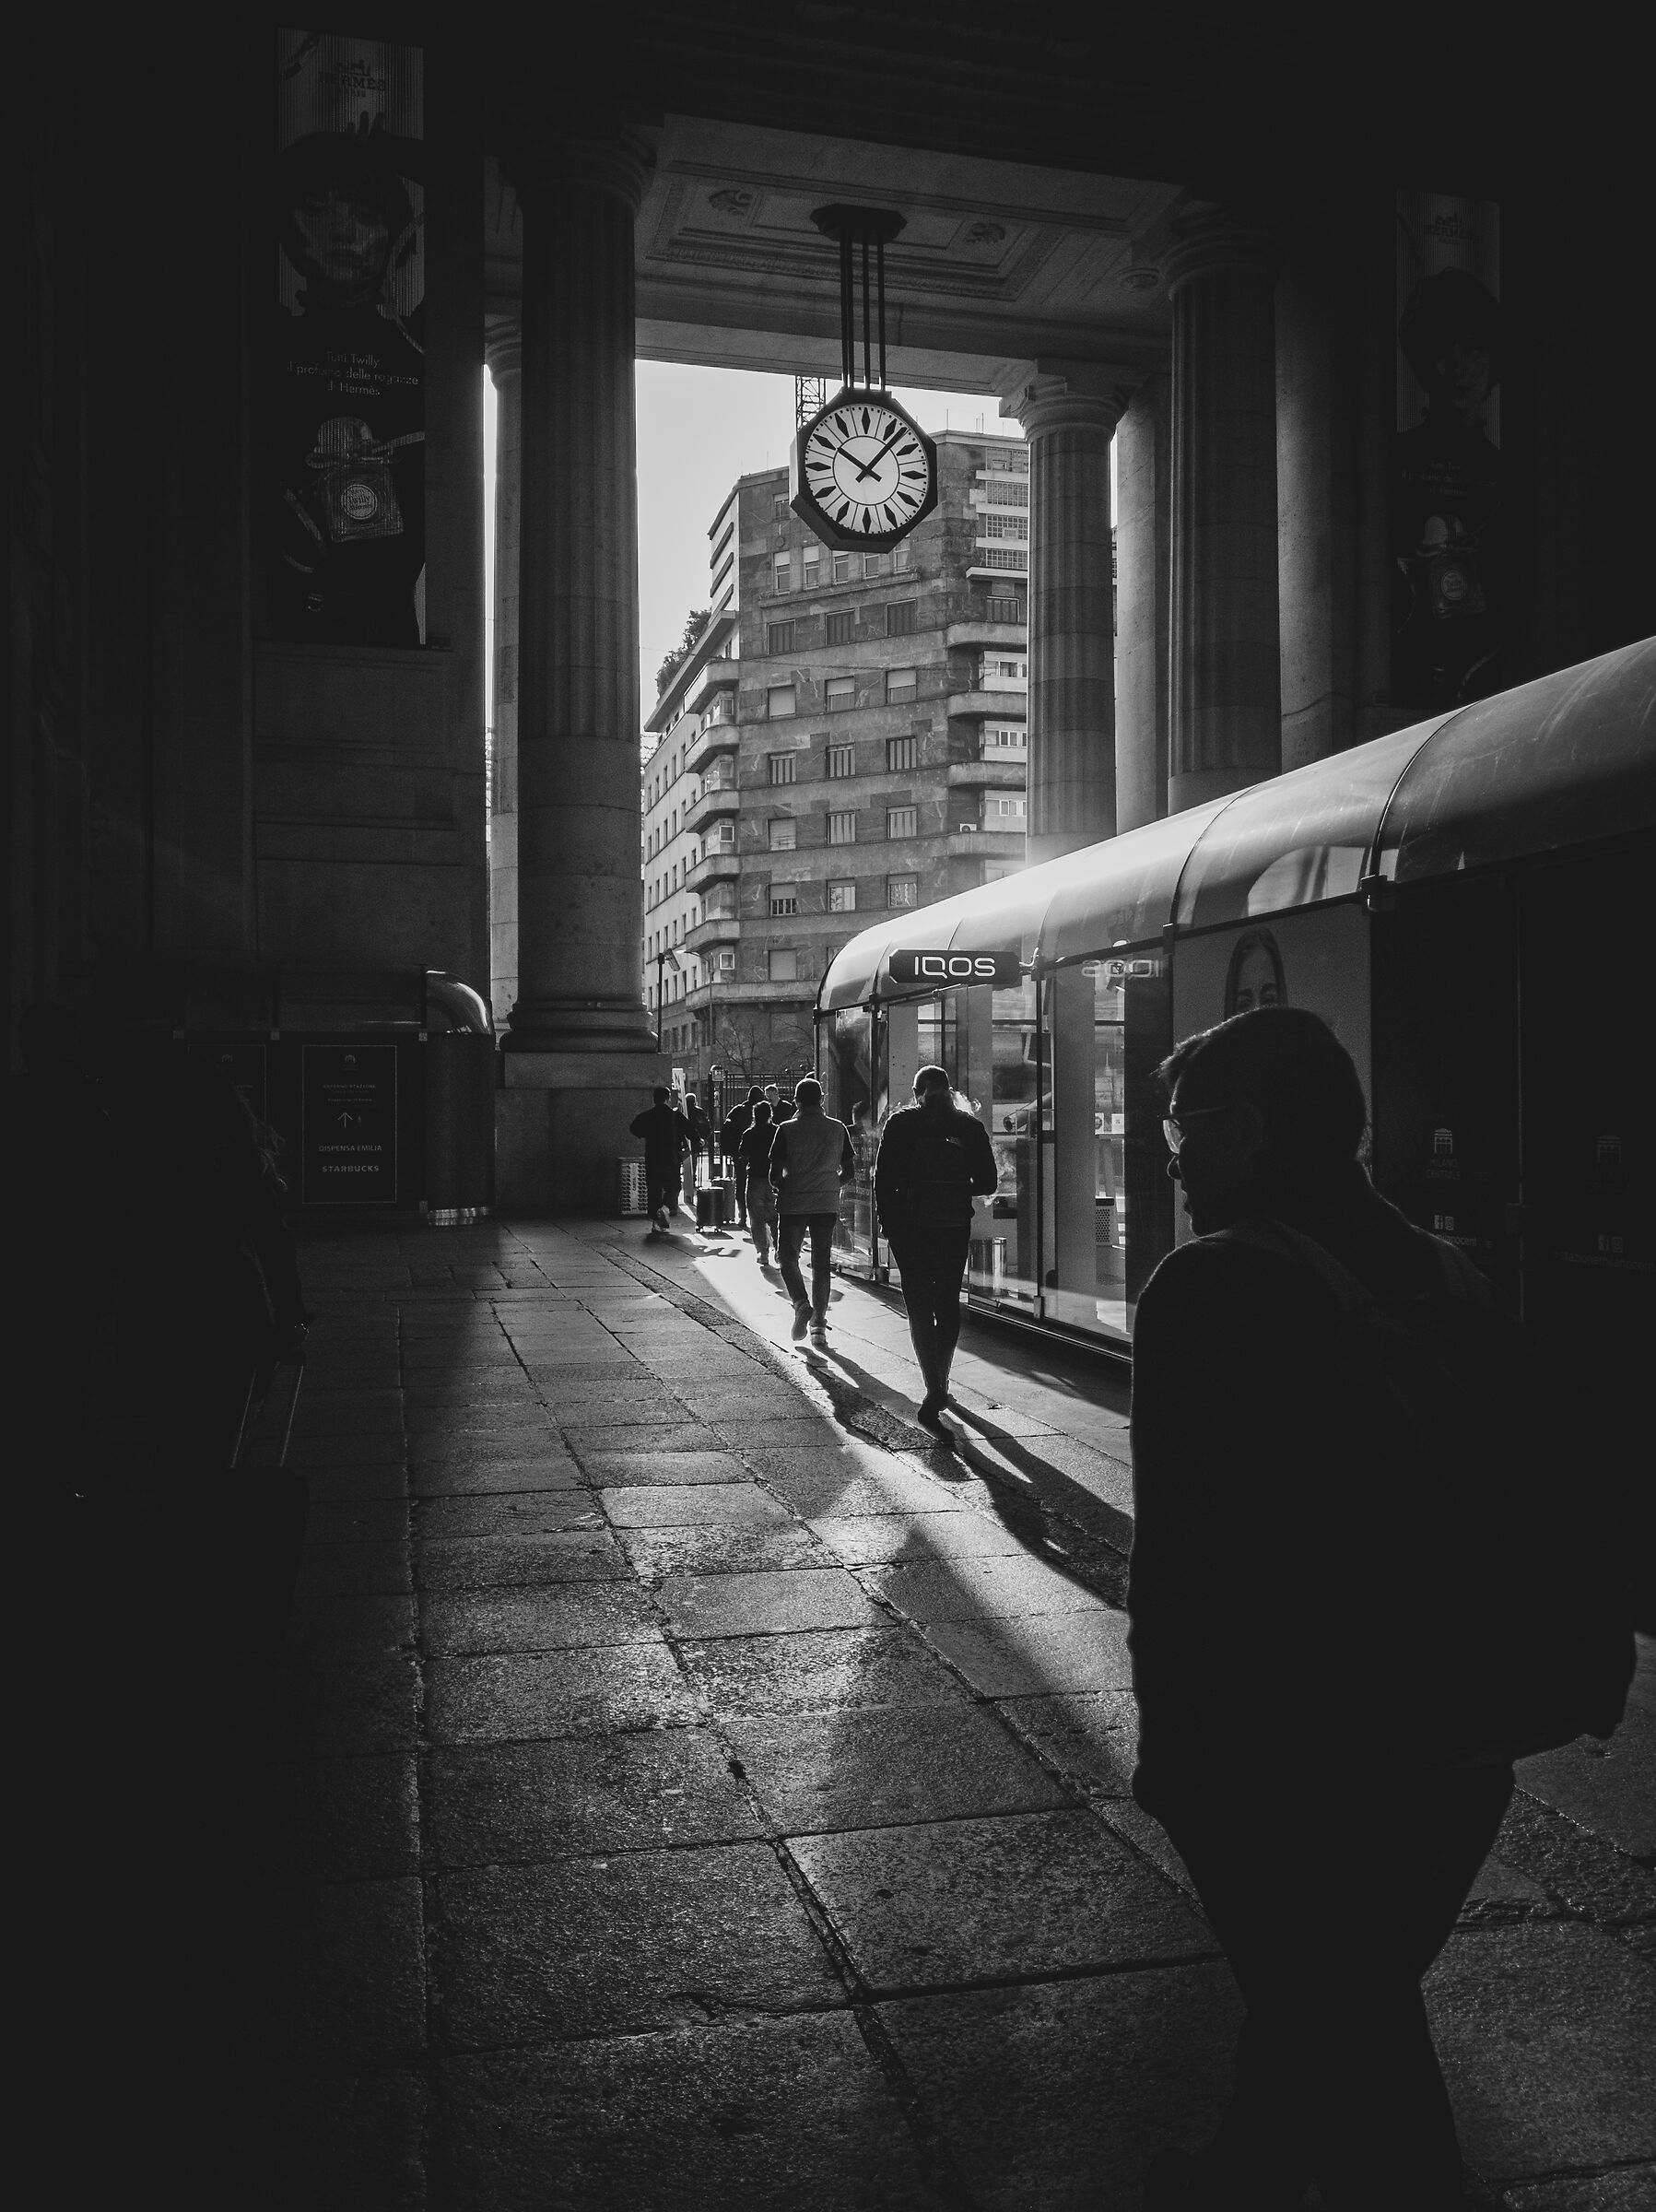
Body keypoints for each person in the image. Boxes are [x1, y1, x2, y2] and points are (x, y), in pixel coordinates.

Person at [1128, 1006, 1518, 2212]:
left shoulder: (1213, 1285)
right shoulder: (1449, 1274)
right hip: (1456, 1735)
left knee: (1360, 2064)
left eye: (1184, 1130)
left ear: (1244, 1131)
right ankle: (1239, 2171)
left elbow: (1193, 1565)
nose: (1173, 1159)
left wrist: (1177, 1758)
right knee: (1338, 1997)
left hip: (1292, 1753)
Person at [873, 1065, 997, 1430]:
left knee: (919, 1307)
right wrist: (957, 1188)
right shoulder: (968, 1127)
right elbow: (988, 1182)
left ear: (916, 1092)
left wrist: (890, 1224)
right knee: (947, 1302)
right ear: (949, 1090)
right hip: (953, 1227)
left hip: (910, 1230)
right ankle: (942, 1377)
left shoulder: (900, 1124)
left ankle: (933, 1386)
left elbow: (884, 1181)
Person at [768, 1077, 854, 1346]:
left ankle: (800, 1302)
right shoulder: (839, 1129)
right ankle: (819, 1326)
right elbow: (848, 1171)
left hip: (794, 1202)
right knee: (821, 1264)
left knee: (787, 1256)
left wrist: (789, 1184)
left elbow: (773, 1176)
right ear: (822, 1100)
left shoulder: (785, 1129)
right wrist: (829, 1186)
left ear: (796, 1101)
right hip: (826, 1204)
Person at [628, 1086, 690, 1235]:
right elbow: (691, 1130)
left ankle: (656, 1218)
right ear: (668, 1099)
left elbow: (634, 1128)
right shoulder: (675, 1116)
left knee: (654, 1188)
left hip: (653, 1158)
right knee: (674, 1187)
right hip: (671, 1159)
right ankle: (666, 1208)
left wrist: (644, 1133)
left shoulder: (647, 1116)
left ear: (654, 1099)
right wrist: (698, 1141)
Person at [737, 1100, 779, 1268]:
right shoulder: (777, 1131)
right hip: (774, 1178)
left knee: (756, 1217)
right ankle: (780, 1249)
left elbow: (743, 1152)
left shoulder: (749, 1133)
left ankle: (762, 1252)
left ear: (755, 1115)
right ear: (770, 1114)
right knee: (776, 1217)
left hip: (755, 1178)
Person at [722, 1085, 763, 1229]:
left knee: (741, 1185)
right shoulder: (761, 1112)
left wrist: (731, 1150)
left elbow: (726, 1126)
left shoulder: (738, 1110)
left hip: (740, 1155)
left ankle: (742, 1216)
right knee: (760, 1186)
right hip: (759, 1157)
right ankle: (759, 1216)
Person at [681, 1088, 712, 1208]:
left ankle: (685, 1181)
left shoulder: (681, 1111)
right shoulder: (698, 1112)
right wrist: (702, 1138)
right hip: (694, 1142)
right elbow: (706, 1126)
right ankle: (691, 1182)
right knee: (693, 1163)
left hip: (681, 1141)